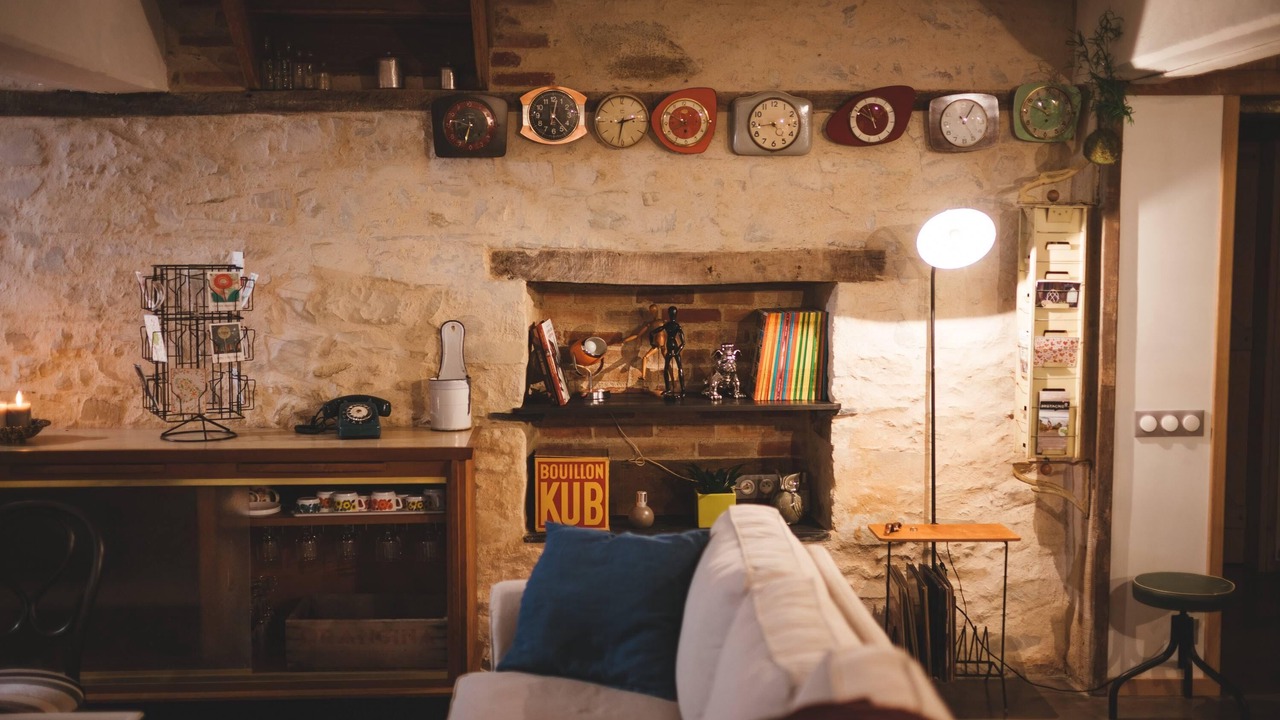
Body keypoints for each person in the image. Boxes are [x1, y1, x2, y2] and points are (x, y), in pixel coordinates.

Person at [650, 305, 685, 397]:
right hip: (671, 348)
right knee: (666, 369)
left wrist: (678, 351)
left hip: (673, 348)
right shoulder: (669, 325)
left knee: (679, 368)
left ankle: (683, 390)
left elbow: (683, 343)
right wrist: (652, 342)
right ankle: (668, 389)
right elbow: (653, 332)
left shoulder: (675, 326)